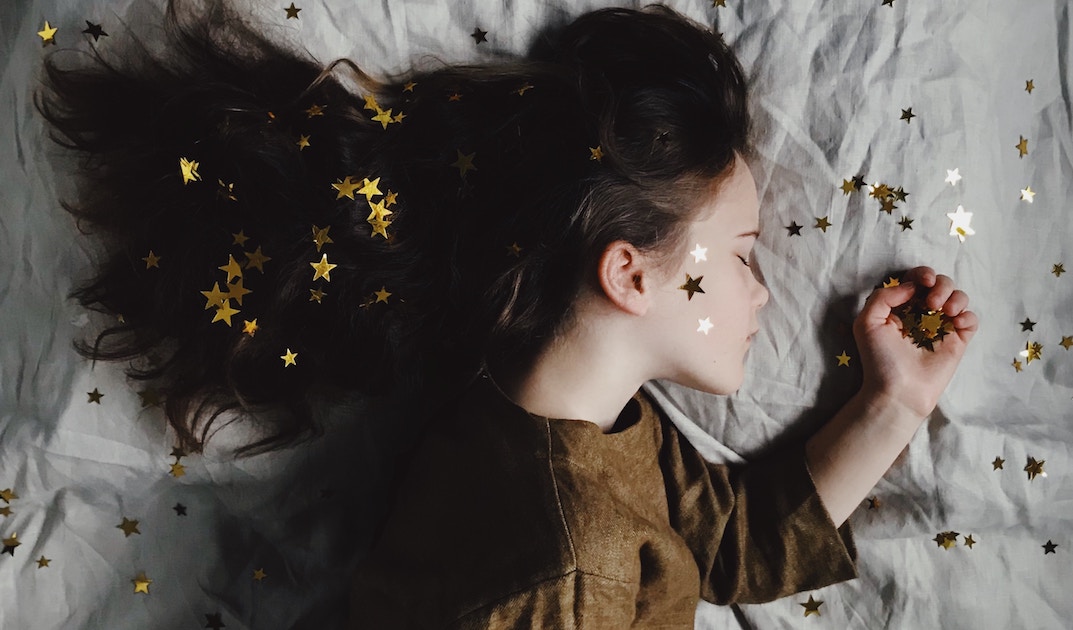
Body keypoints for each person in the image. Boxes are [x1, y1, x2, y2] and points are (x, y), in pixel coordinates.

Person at [34, 0, 978, 627]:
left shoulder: (568, 426)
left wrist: (892, 401)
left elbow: (729, 543)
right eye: (739, 258)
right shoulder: (567, 571)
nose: (764, 292)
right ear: (629, 275)